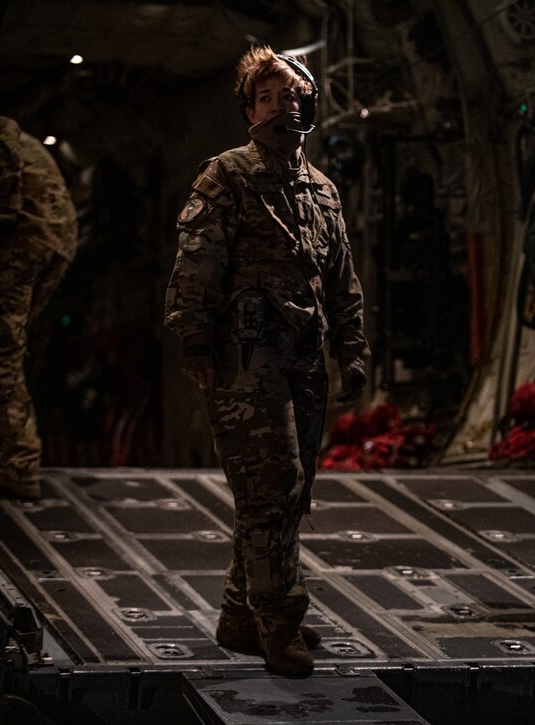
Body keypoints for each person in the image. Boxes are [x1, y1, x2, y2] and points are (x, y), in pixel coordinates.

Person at [164, 46, 369, 676]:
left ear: (308, 103)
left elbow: (341, 277)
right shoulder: (225, 176)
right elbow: (196, 262)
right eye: (266, 96)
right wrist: (194, 340)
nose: (281, 104)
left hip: (304, 360)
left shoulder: (323, 190)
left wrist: (352, 347)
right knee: (271, 484)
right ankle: (281, 623)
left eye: (290, 95)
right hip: (246, 361)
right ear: (249, 110)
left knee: (284, 493)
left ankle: (237, 615)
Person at [0, 98, 78, 500]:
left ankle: (18, 461)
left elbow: (2, 135)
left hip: (24, 240)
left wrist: (2, 211)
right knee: (2, 343)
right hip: (53, 239)